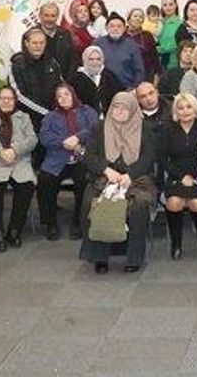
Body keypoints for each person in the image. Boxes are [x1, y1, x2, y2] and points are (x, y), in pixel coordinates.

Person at [80, 91, 158, 274]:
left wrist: (130, 175)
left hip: (137, 178)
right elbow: (89, 156)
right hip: (104, 176)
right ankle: (99, 257)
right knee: (90, 202)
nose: (120, 111)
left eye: (125, 108)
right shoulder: (99, 128)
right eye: (116, 106)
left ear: (133, 109)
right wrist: (106, 170)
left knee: (138, 205)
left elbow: (149, 156)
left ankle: (134, 257)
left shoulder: (144, 127)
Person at [0, 86, 38, 252]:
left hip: (19, 161)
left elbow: (32, 139)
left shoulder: (24, 117)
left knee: (26, 187)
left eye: (10, 98)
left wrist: (15, 150)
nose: (6, 101)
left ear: (15, 101)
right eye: (3, 98)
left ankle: (14, 230)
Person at [37, 84, 95, 241]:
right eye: (59, 96)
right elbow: (44, 137)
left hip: (82, 158)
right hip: (57, 159)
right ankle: (50, 223)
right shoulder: (51, 116)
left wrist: (78, 138)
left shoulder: (87, 111)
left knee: (84, 181)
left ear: (73, 95)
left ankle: (78, 220)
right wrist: (65, 142)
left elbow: (95, 129)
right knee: (45, 179)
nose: (63, 98)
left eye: (66, 94)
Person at [162, 93, 197, 260]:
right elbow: (163, 158)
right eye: (181, 108)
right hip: (176, 176)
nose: (185, 111)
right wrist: (181, 176)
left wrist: (196, 176)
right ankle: (176, 244)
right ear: (175, 111)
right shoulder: (168, 128)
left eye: (189, 107)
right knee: (174, 203)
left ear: (195, 108)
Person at [10, 27, 62, 124]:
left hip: (53, 116)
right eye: (34, 43)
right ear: (27, 43)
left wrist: (57, 110)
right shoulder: (17, 64)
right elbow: (19, 95)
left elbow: (60, 87)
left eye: (41, 43)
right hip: (27, 119)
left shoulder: (52, 62)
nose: (38, 46)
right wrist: (45, 113)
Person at [93, 13, 147, 90]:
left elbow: (139, 70)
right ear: (106, 28)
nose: (115, 29)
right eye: (112, 26)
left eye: (119, 26)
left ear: (124, 28)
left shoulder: (131, 45)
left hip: (127, 88)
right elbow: (90, 66)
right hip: (102, 89)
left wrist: (134, 87)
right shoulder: (97, 43)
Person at [69, 44, 124, 117]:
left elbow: (120, 95)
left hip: (110, 117)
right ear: (85, 60)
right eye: (91, 59)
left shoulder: (109, 76)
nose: (95, 62)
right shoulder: (76, 79)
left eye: (98, 59)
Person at [36, 2, 78, 81]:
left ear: (57, 17)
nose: (50, 19)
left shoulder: (65, 34)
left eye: (53, 16)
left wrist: (66, 81)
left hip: (64, 82)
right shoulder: (31, 35)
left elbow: (73, 60)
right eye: (46, 15)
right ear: (40, 16)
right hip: (40, 83)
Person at [126, 7, 161, 82]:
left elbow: (154, 57)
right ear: (129, 19)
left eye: (140, 17)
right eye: (135, 16)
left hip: (145, 76)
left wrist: (156, 75)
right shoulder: (122, 34)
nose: (138, 18)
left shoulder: (147, 35)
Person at [156, 0, 184, 69]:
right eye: (165, 5)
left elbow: (179, 45)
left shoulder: (180, 23)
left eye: (171, 4)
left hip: (174, 62)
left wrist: (160, 49)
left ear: (176, 5)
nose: (168, 7)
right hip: (159, 63)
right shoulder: (158, 22)